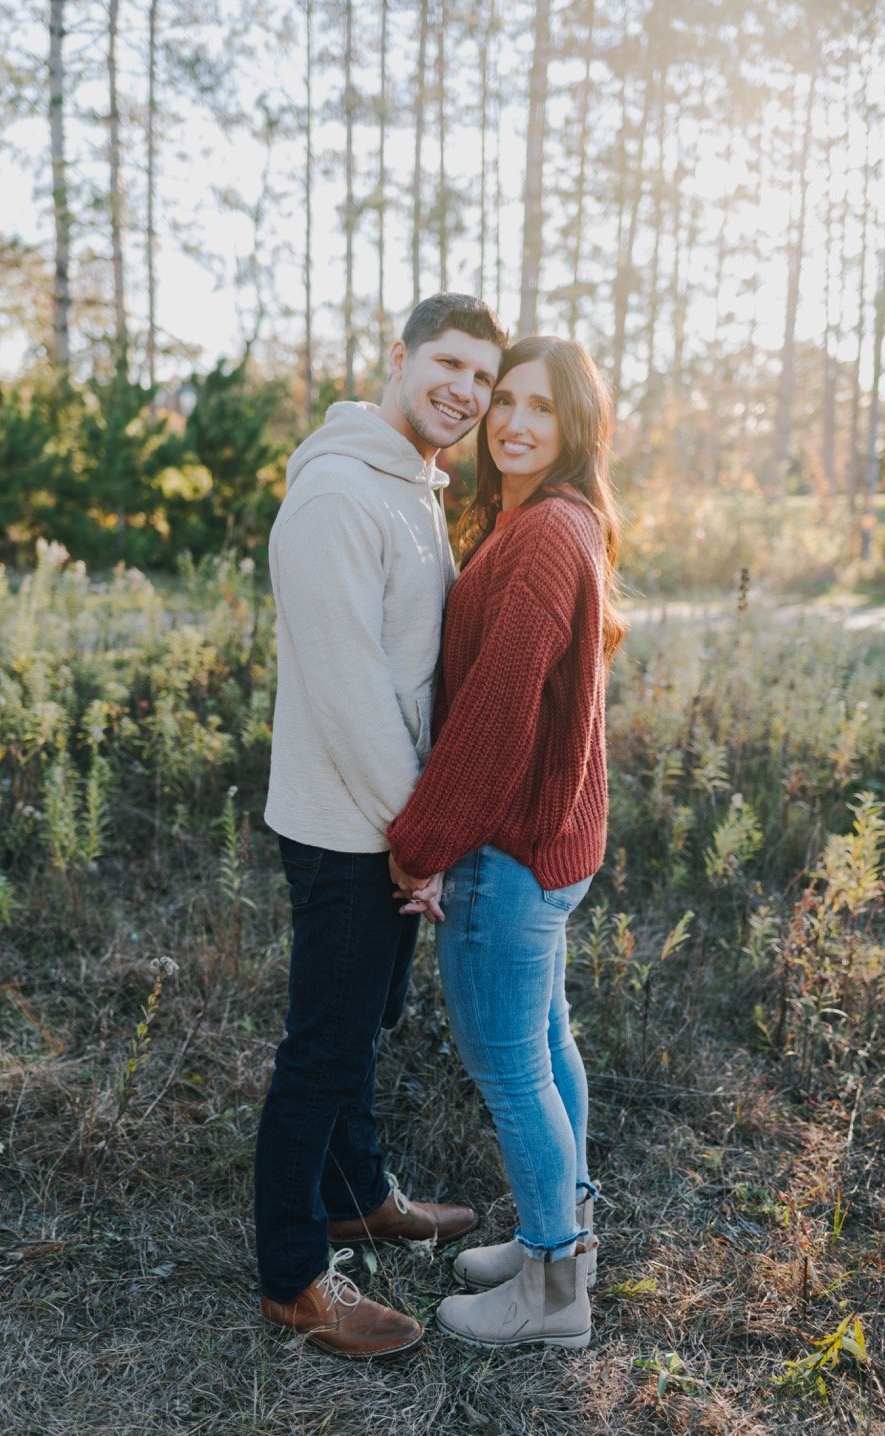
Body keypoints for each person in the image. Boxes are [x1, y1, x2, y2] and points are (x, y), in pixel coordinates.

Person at [254, 293, 509, 1359]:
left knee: (362, 1026)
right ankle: (294, 1275)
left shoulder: (415, 486)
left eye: (484, 378)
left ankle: (359, 1194)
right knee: (322, 1046)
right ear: (398, 358)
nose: (465, 389)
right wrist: (416, 834)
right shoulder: (335, 495)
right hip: (348, 824)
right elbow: (354, 688)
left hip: (391, 816)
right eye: (448, 362)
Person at [387, 335, 626, 1349]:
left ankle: (552, 1296)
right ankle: (555, 1243)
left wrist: (424, 840)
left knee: (511, 1064)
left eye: (542, 408)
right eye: (506, 403)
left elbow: (497, 712)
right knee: (546, 1044)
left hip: (511, 852)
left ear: (576, 428)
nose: (516, 423)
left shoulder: (541, 535)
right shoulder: (555, 521)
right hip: (551, 845)